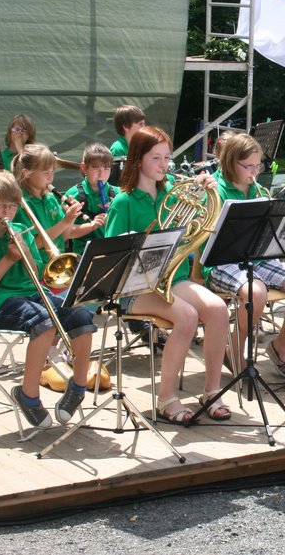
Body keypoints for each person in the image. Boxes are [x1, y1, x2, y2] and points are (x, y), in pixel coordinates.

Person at [105, 126, 233, 422]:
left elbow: (198, 225)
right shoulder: (123, 202)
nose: (164, 165)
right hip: (134, 288)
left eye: (167, 157)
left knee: (218, 309)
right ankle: (167, 399)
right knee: (186, 316)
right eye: (156, 158)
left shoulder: (173, 194)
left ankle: (211, 391)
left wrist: (207, 190)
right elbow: (113, 254)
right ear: (137, 160)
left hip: (173, 279)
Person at [0, 169, 95, 429]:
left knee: (82, 317)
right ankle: (28, 394)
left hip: (32, 292)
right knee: (44, 323)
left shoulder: (22, 229)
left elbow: (37, 273)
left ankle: (77, 387)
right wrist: (8, 259)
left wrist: (23, 249)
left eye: (11, 206)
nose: (6, 213)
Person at [202, 133, 285, 378]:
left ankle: (280, 345)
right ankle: (235, 346)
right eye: (248, 166)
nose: (255, 172)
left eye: (258, 165)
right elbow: (207, 236)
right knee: (256, 293)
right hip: (223, 261)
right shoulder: (215, 188)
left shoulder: (258, 189)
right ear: (231, 162)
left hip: (256, 258)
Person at [12, 144, 91, 277]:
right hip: (35, 271)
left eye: (52, 172)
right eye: (46, 172)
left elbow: (63, 236)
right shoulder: (22, 205)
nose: (50, 177)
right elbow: (34, 244)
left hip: (57, 268)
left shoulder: (51, 199)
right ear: (26, 173)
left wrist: (70, 218)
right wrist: (64, 222)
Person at [63, 142, 115, 256]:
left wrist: (115, 217)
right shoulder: (74, 195)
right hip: (85, 254)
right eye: (96, 167)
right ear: (84, 168)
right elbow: (65, 232)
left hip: (113, 251)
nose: (101, 174)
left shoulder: (118, 194)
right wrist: (92, 225)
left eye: (107, 168)